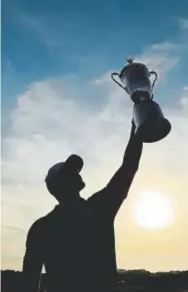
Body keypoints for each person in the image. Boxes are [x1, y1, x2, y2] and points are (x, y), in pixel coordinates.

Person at [22, 121, 143, 292]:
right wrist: (137, 127)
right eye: (69, 173)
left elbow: (129, 166)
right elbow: (29, 283)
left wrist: (137, 125)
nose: (76, 173)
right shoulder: (99, 209)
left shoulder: (41, 227)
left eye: (75, 171)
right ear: (59, 186)